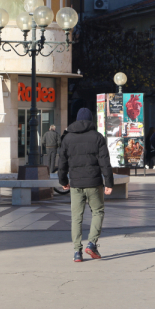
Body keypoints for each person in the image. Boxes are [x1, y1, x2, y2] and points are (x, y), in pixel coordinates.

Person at [58, 108, 113, 262]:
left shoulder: (67, 138)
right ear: (91, 120)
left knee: (76, 217)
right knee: (98, 211)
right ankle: (92, 243)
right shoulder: (98, 137)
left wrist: (63, 181)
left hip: (75, 184)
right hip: (94, 183)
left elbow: (61, 162)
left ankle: (77, 252)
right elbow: (105, 162)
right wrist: (108, 182)